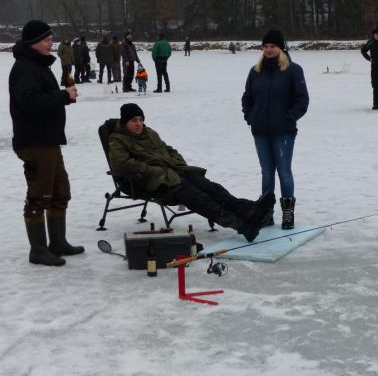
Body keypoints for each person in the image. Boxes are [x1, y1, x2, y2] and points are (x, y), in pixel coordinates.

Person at [108, 103, 275, 242]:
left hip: (175, 171)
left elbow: (169, 149)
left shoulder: (149, 133)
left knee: (212, 188)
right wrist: (154, 170)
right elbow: (122, 165)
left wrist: (178, 162)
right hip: (152, 180)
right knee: (198, 198)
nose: (138, 124)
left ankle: (251, 210)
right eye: (133, 120)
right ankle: (243, 226)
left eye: (140, 120)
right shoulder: (118, 140)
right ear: (125, 122)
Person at [9, 20, 83, 267]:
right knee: (39, 196)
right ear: (32, 43)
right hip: (35, 141)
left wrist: (65, 97)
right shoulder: (24, 68)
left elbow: (42, 99)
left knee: (61, 192)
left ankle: (58, 242)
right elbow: (30, 103)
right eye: (45, 39)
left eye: (50, 38)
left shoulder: (38, 65)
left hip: (49, 140)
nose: (51, 42)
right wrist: (62, 95)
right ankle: (38, 250)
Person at [241, 30, 309, 230]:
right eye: (266, 47)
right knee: (266, 173)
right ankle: (266, 213)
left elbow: (302, 100)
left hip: (284, 132)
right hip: (260, 130)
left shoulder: (294, 70)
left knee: (284, 171)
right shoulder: (255, 71)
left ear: (281, 48)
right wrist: (250, 117)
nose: (269, 50)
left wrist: (288, 119)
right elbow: (247, 98)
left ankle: (288, 213)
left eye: (273, 46)